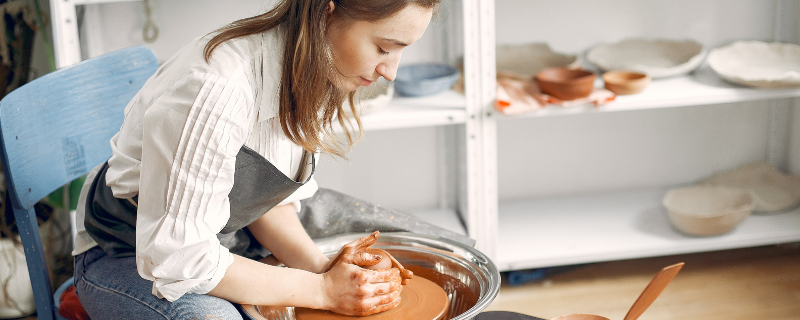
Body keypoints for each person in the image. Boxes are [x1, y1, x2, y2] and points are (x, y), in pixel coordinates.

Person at [70, 0, 439, 319]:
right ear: (327, 14)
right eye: (384, 48)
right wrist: (324, 291)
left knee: (429, 243)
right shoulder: (215, 89)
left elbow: (267, 200)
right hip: (130, 251)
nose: (390, 71)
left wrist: (321, 267)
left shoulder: (320, 64)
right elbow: (177, 259)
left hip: (232, 225)